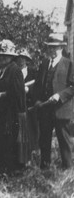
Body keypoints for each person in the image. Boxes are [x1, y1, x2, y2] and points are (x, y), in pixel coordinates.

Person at [32, 33, 74, 170]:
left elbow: (72, 87)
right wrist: (37, 100)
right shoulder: (44, 63)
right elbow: (38, 85)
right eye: (50, 47)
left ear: (62, 47)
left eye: (55, 47)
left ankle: (67, 172)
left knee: (64, 142)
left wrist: (59, 96)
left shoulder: (69, 64)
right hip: (45, 110)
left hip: (61, 110)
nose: (52, 50)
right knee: (44, 141)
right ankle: (44, 170)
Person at [0, 39, 28, 173]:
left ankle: (9, 170)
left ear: (11, 57)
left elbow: (18, 93)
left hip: (9, 112)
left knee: (8, 140)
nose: (2, 58)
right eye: (0, 55)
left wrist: (1, 95)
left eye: (5, 55)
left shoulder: (15, 71)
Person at [15, 48, 39, 151]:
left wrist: (29, 90)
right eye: (19, 58)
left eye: (23, 58)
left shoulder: (33, 72)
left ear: (26, 60)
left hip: (30, 106)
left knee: (32, 129)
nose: (21, 60)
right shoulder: (14, 72)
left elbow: (38, 87)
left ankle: (33, 153)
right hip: (17, 106)